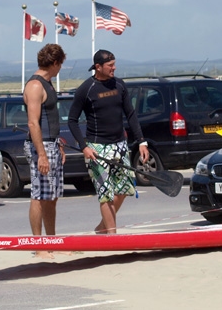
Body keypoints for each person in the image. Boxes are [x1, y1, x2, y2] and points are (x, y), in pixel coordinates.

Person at [68, 49, 149, 235]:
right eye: (110, 65)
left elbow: (131, 114)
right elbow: (71, 120)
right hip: (97, 148)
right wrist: (84, 147)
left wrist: (142, 141)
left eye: (114, 64)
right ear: (98, 67)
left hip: (120, 144)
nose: (114, 68)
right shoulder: (86, 89)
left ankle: (103, 227)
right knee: (106, 194)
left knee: (124, 188)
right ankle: (112, 237)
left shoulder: (119, 85)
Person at [23, 43, 66, 258]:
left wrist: (58, 144)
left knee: (52, 196)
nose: (60, 69)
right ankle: (38, 245)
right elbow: (33, 123)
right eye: (60, 65)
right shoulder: (35, 85)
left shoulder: (47, 84)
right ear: (55, 63)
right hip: (41, 146)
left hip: (52, 143)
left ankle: (52, 242)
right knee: (39, 194)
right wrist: (41, 154)